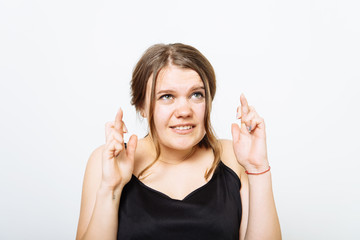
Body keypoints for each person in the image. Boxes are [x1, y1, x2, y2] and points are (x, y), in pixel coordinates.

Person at [76, 43, 281, 240]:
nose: (184, 111)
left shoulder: (235, 158)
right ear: (141, 106)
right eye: (166, 96)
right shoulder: (108, 160)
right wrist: (111, 188)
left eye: (196, 95)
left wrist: (257, 168)